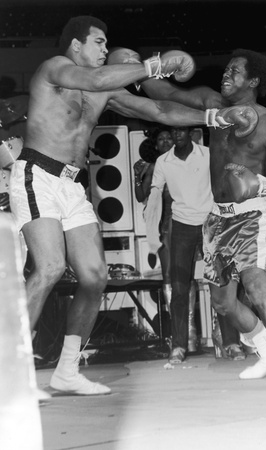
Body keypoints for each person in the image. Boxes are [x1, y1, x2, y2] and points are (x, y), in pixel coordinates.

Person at [8, 15, 219, 396]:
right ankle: (7, 370)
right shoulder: (56, 68)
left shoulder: (105, 91)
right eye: (99, 42)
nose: (106, 50)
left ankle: (67, 371)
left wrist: (213, 117)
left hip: (72, 186)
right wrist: (156, 64)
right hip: (36, 174)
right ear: (76, 44)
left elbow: (158, 112)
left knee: (94, 277)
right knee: (50, 268)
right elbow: (93, 79)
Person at [136, 47, 266, 389]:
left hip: (252, 216)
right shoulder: (213, 105)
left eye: (235, 71)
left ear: (254, 81)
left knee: (256, 287)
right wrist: (140, 71)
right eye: (226, 69)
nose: (226, 75)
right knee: (222, 303)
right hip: (217, 218)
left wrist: (260, 184)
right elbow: (168, 93)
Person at [144, 126, 213, 364]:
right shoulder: (163, 161)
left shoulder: (207, 154)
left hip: (210, 223)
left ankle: (230, 341)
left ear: (191, 132)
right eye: (173, 131)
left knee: (220, 281)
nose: (176, 135)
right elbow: (153, 195)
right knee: (178, 286)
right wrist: (151, 234)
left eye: (181, 130)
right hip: (180, 226)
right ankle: (180, 345)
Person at [133, 126, 174, 316]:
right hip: (164, 222)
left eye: (168, 138)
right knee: (168, 273)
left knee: (187, 274)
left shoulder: (187, 161)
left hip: (190, 220)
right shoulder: (153, 166)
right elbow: (141, 195)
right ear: (156, 145)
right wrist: (136, 177)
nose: (165, 141)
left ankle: (189, 332)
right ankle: (177, 325)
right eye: (161, 139)